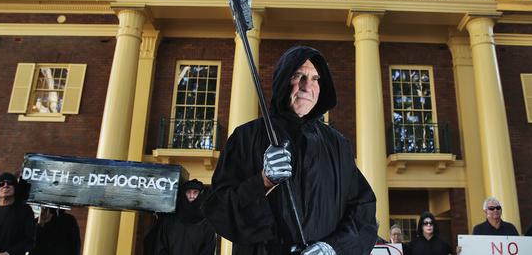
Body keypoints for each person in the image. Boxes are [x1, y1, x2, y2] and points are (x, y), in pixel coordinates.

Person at [203, 45, 378, 255]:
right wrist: (263, 181)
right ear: (282, 81)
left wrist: (333, 247)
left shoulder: (338, 145)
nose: (307, 86)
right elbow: (219, 209)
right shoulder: (245, 137)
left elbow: (363, 211)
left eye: (315, 79)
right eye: (298, 76)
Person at [0, 172, 36, 255]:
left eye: (10, 183)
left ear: (15, 188)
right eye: (1, 183)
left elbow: (29, 240)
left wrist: (8, 253)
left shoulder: (25, 211)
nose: (5, 185)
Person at [155, 179, 216, 255]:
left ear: (200, 194)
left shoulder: (207, 224)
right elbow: (161, 247)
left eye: (195, 192)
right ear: (184, 194)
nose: (191, 196)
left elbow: (208, 251)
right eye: (188, 192)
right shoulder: (169, 220)